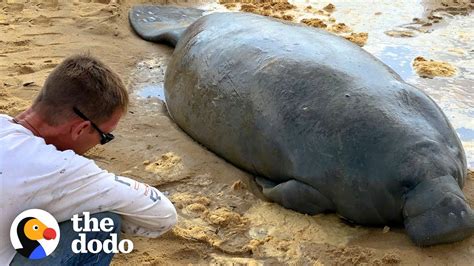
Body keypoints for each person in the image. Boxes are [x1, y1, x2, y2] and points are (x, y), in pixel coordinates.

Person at [0, 54, 177, 265]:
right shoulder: (59, 168)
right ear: (81, 129)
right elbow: (162, 216)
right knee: (103, 223)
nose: (101, 143)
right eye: (104, 137)